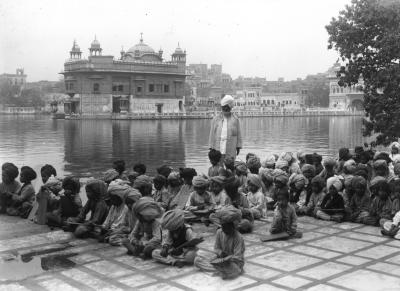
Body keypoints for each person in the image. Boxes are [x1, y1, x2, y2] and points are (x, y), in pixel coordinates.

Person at [194, 206, 245, 280]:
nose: (224, 229)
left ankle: (222, 271)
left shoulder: (238, 237)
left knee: (234, 269)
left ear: (232, 226)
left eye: (227, 227)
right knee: (197, 261)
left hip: (233, 262)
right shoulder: (219, 232)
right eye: (223, 227)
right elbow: (216, 248)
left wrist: (227, 259)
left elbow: (238, 256)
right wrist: (220, 253)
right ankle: (222, 271)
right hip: (221, 259)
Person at [208, 95, 242, 160]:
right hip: (218, 148)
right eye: (223, 107)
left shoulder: (235, 119)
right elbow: (212, 133)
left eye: (227, 108)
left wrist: (238, 146)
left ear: (230, 107)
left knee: (229, 165)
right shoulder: (216, 119)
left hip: (231, 147)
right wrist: (211, 147)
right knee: (219, 166)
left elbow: (238, 134)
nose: (225, 109)